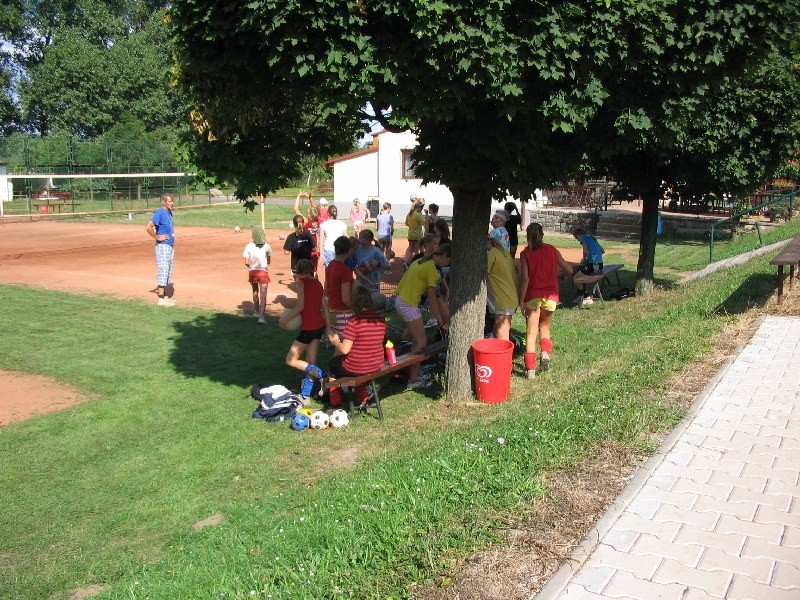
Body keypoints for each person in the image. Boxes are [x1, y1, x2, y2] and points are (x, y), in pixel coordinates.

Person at [518, 223, 573, 379]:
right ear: (542, 235)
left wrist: (521, 300)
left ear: (527, 236)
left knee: (531, 332)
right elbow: (569, 270)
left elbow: (525, 279)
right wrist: (563, 276)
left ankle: (530, 369)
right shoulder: (552, 250)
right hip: (550, 295)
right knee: (545, 326)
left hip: (532, 296)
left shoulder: (525, 253)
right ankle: (545, 354)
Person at [395, 243, 451, 390]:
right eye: (448, 260)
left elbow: (432, 295)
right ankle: (413, 379)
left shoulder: (422, 260)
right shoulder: (431, 270)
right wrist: (441, 323)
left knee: (418, 341)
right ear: (444, 256)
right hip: (408, 304)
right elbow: (433, 302)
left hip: (403, 300)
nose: (447, 264)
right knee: (421, 342)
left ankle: (416, 372)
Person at [326, 286, 386, 408]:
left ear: (354, 303)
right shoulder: (379, 319)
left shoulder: (353, 321)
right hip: (377, 365)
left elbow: (344, 350)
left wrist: (335, 341)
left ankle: (335, 401)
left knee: (333, 366)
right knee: (353, 365)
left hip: (357, 368)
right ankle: (362, 395)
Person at [279, 259, 327, 403]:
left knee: (291, 359)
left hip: (309, 327)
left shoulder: (301, 283)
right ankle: (306, 395)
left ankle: (322, 374)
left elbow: (300, 305)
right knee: (311, 360)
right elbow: (324, 306)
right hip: (319, 325)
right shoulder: (318, 283)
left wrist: (284, 320)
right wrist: (329, 327)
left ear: (299, 272)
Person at [145, 193, 177, 306]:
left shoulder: (169, 213)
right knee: (163, 270)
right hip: (163, 246)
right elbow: (148, 227)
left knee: (168, 270)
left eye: (172, 201)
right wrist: (157, 237)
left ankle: (166, 297)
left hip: (170, 245)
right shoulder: (160, 212)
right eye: (169, 201)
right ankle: (161, 299)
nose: (172, 203)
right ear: (163, 202)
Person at [486, 237, 519, 340]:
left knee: (501, 336)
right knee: (499, 332)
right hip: (511, 298)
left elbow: (482, 274)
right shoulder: (505, 253)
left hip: (503, 300)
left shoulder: (492, 253)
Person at [324, 235, 355, 336]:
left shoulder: (330, 265)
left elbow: (326, 291)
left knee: (335, 340)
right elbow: (345, 299)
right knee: (345, 342)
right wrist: (356, 309)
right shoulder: (345, 271)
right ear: (348, 250)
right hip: (343, 312)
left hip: (331, 310)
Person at [243, 225, 272, 323]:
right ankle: (261, 317)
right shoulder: (267, 246)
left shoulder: (248, 246)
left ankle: (256, 311)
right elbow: (269, 261)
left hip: (252, 272)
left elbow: (246, 262)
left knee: (255, 291)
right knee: (263, 293)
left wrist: (252, 266)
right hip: (263, 272)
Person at [572, 227, 605, 307]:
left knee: (575, 279)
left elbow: (585, 251)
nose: (578, 240)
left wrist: (584, 259)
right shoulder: (592, 238)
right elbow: (602, 251)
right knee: (577, 275)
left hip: (593, 265)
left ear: (578, 235)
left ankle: (586, 297)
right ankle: (581, 296)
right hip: (599, 265)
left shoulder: (583, 238)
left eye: (576, 237)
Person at [404, 200, 426, 266]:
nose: (422, 209)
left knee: (410, 250)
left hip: (410, 234)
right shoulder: (418, 215)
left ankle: (405, 262)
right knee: (416, 251)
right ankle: (414, 264)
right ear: (417, 207)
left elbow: (406, 223)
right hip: (417, 235)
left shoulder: (409, 214)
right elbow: (425, 223)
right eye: (421, 207)